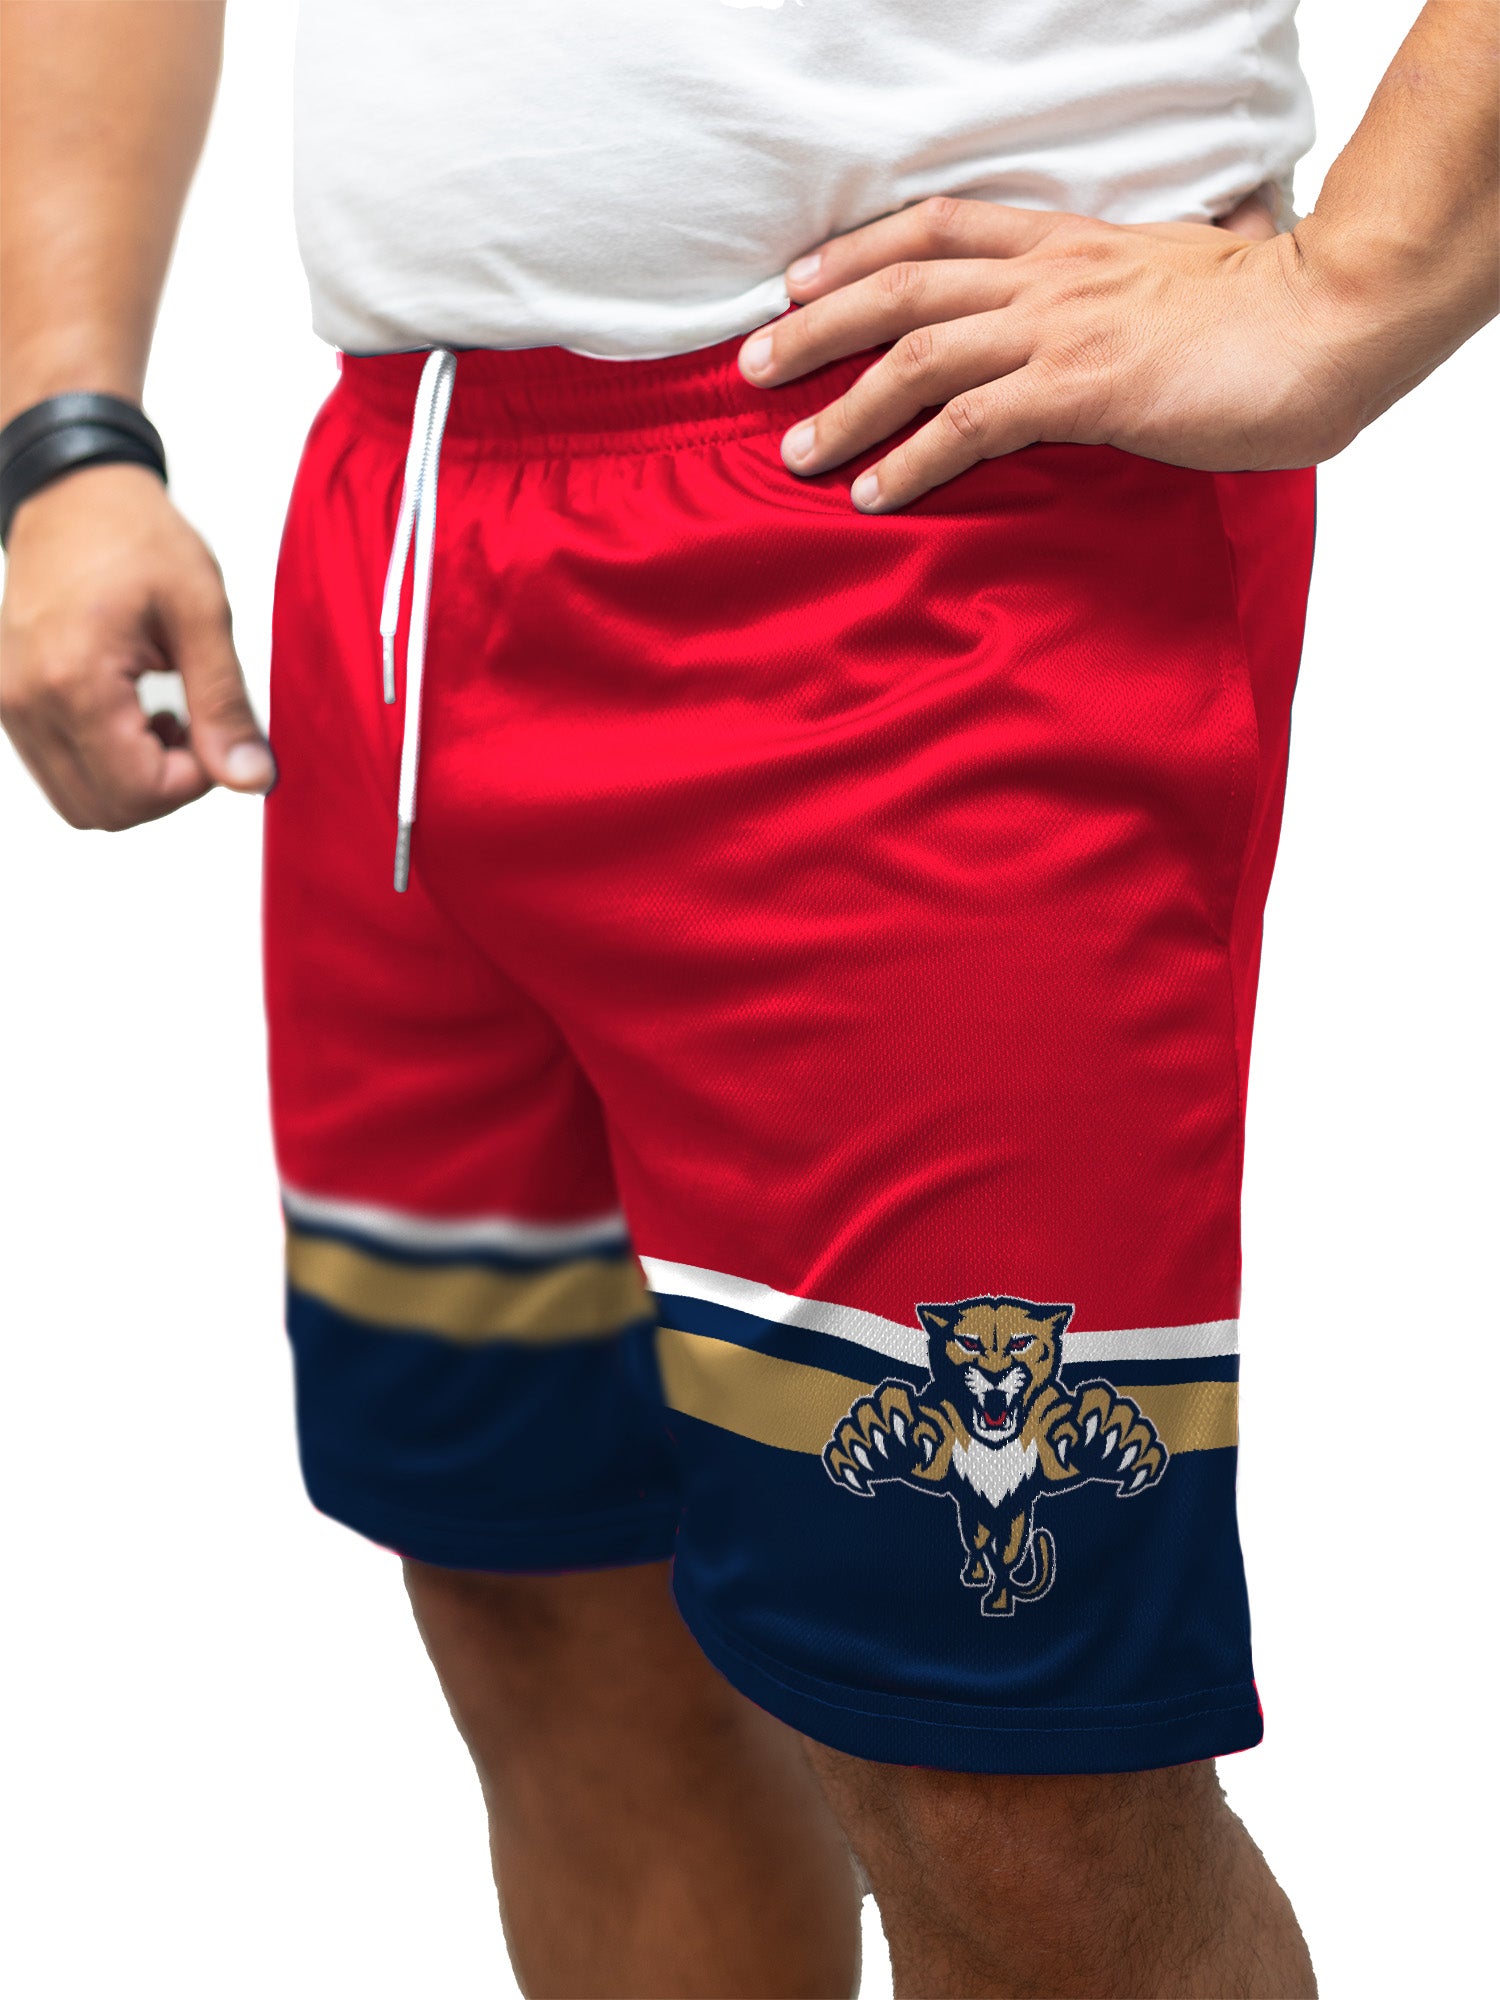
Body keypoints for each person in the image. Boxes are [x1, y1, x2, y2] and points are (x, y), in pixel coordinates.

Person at [1, 3, 1494, 1994]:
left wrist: (1366, 279)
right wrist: (68, 424)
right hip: (414, 513)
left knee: (1008, 1782)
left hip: (938, 498)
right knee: (544, 1591)